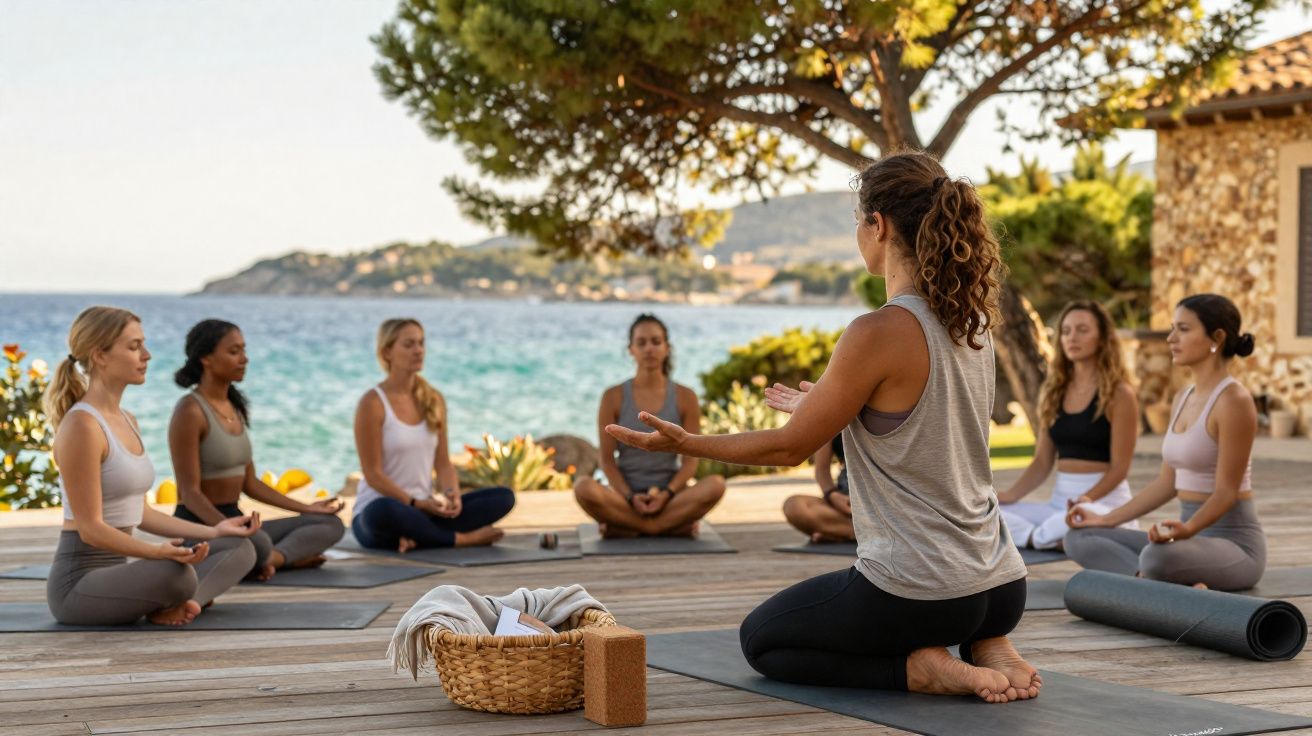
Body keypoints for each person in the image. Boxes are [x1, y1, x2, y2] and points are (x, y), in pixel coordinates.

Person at [609, 152, 1036, 703]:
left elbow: (790, 448)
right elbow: (926, 425)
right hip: (1002, 582)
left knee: (762, 641)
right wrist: (835, 407)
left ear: (877, 225)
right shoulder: (971, 323)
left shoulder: (878, 330)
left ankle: (919, 671)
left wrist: (688, 443)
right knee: (962, 608)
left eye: (858, 223)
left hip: (921, 590)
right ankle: (988, 641)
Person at [44, 306, 259, 626]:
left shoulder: (127, 420)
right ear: (100, 355)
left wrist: (214, 530)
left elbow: (140, 513)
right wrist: (156, 552)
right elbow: (90, 530)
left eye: (143, 344)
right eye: (134, 347)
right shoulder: (82, 426)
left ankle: (183, 604)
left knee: (239, 547)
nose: (147, 355)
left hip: (119, 573)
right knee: (177, 573)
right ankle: (181, 599)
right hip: (79, 587)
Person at [1066, 294, 1263, 591]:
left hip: (1233, 546)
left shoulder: (1234, 400)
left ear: (1217, 337)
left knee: (1158, 557)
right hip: (1186, 541)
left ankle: (1154, 581)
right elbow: (1166, 483)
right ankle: (1158, 584)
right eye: (1173, 328)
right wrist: (1105, 520)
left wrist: (1190, 529)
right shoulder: (1182, 397)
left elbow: (1226, 492)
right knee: (1078, 538)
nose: (1171, 338)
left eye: (1183, 329)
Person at [169, 319, 344, 581]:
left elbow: (250, 483)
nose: (244, 359)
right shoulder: (190, 411)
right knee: (255, 543)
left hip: (237, 520)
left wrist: (308, 508)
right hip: (201, 525)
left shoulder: (234, 407)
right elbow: (189, 493)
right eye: (233, 351)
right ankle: (276, 558)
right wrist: (225, 528)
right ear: (206, 358)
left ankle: (273, 560)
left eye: (243, 350)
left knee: (330, 525)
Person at [351, 318, 514, 552]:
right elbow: (373, 474)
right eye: (408, 345)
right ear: (387, 352)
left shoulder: (433, 399)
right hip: (385, 511)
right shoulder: (373, 403)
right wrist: (416, 504)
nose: (418, 351)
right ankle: (461, 539)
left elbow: (444, 464)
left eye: (421, 343)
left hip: (427, 512)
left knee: (503, 497)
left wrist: (451, 496)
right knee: (382, 511)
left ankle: (418, 537)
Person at [997, 301, 1138, 550]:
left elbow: (1120, 468)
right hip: (1058, 507)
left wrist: (1087, 498)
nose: (1072, 337)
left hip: (1102, 503)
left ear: (1102, 339)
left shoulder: (1119, 394)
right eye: (1066, 331)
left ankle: (1041, 536)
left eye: (1083, 330)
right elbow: (1042, 462)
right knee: (990, 511)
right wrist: (1010, 495)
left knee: (1079, 515)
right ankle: (1040, 537)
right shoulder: (1054, 392)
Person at [573, 314, 726, 538]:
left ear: (667, 348)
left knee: (716, 485)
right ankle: (666, 527)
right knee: (583, 487)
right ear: (631, 349)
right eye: (641, 343)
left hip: (671, 497)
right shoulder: (612, 397)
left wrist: (666, 494)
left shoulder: (686, 397)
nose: (649, 349)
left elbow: (690, 461)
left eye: (656, 342)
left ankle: (629, 528)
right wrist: (629, 497)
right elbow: (606, 460)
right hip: (625, 498)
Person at [782, 431, 855, 543]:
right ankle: (854, 532)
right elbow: (822, 472)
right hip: (847, 505)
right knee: (794, 506)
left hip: (884, 501)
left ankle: (839, 532)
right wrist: (832, 495)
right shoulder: (830, 418)